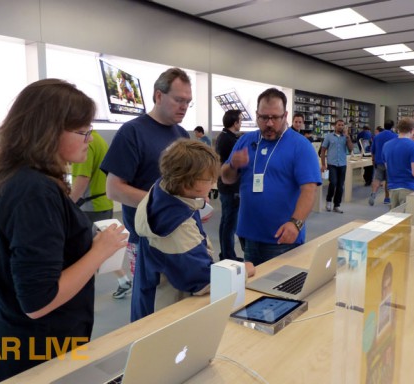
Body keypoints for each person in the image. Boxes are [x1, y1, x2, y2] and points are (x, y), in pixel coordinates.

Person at [0, 79, 128, 383]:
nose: (90, 137)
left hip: (11, 335)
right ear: (49, 131)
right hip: (37, 350)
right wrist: (100, 251)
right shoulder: (35, 192)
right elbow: (38, 301)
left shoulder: (4, 178)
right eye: (83, 130)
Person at [131, 139, 255, 321]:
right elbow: (201, 279)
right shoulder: (177, 227)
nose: (213, 183)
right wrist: (242, 270)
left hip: (148, 296)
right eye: (209, 179)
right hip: (165, 313)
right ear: (188, 184)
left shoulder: (162, 189)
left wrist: (194, 204)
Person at [100, 67, 191, 281]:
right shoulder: (132, 132)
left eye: (188, 101)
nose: (184, 107)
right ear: (159, 96)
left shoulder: (182, 135)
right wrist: (165, 202)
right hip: (145, 239)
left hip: (180, 234)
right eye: (179, 100)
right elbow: (113, 189)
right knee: (150, 307)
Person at [221, 88, 321, 266]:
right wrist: (232, 166)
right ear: (256, 115)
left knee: (282, 289)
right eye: (263, 117)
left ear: (285, 115)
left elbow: (309, 190)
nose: (269, 123)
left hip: (283, 238)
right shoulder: (245, 141)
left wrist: (295, 224)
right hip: (249, 235)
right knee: (252, 289)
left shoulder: (301, 146)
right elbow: (227, 179)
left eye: (275, 117)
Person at [70, 130, 131, 299]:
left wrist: (67, 206)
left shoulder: (84, 143)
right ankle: (123, 280)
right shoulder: (98, 139)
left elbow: (82, 178)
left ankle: (81, 294)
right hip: (101, 203)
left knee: (86, 253)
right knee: (99, 247)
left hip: (91, 206)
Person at [382, 117, 414, 210]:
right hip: (408, 187)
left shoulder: (386, 145)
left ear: (398, 128)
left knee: (394, 219)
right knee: (408, 220)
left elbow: (387, 167)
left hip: (392, 187)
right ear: (412, 130)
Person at [215, 109, 243, 261]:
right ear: (235, 122)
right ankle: (228, 256)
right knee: (229, 224)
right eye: (240, 120)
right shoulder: (231, 141)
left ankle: (225, 254)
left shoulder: (224, 137)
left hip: (226, 186)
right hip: (231, 187)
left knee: (226, 221)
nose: (241, 123)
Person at [320, 119, 354, 213]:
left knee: (340, 186)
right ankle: (328, 201)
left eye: (342, 125)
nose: (341, 126)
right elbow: (323, 151)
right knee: (333, 183)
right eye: (339, 125)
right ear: (335, 126)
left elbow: (351, 149)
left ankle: (337, 205)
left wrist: (348, 138)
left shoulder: (345, 137)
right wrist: (323, 164)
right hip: (332, 164)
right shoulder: (329, 137)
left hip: (342, 164)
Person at [368, 120, 397, 206]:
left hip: (379, 161)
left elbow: (373, 150)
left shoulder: (377, 136)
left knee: (377, 178)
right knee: (388, 180)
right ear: (392, 126)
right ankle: (387, 198)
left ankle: (373, 193)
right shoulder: (395, 136)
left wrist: (373, 160)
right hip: (390, 162)